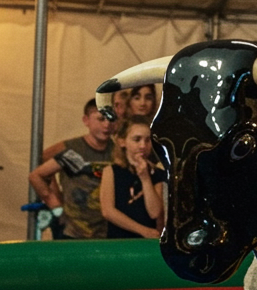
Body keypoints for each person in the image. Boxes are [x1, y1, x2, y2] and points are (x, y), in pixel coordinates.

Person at [29, 99, 114, 239]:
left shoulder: (118, 152)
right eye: (100, 119)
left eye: (111, 120)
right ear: (86, 120)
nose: (106, 125)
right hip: (72, 230)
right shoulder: (72, 149)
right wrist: (55, 204)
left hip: (107, 231)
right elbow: (36, 176)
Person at [100, 117, 166, 239]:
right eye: (137, 140)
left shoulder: (156, 173)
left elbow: (155, 212)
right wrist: (141, 230)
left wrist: (145, 178)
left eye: (147, 140)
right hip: (119, 240)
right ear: (122, 141)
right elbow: (108, 211)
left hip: (146, 241)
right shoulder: (112, 171)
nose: (143, 145)